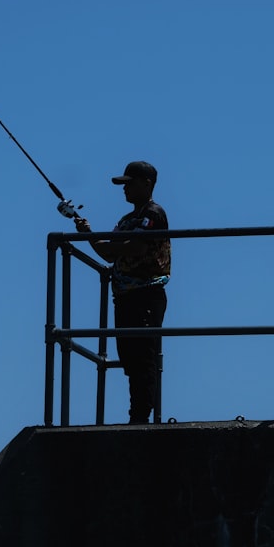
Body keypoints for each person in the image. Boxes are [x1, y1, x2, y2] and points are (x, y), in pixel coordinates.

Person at [74, 161, 171, 424]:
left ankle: (140, 417)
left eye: (130, 183)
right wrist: (89, 234)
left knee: (143, 357)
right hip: (125, 296)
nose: (125, 188)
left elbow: (136, 248)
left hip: (146, 295)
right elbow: (108, 253)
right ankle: (137, 414)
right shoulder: (127, 220)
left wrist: (109, 244)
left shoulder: (154, 213)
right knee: (130, 358)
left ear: (147, 183)